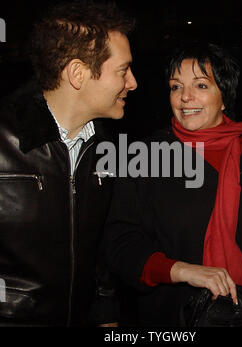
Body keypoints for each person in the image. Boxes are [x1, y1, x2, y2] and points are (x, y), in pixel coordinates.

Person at [104, 43, 242, 326]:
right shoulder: (146, 156)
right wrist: (181, 271)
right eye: (175, 87)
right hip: (174, 318)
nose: (185, 98)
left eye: (201, 86)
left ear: (224, 97)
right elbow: (120, 242)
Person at [0, 1, 137, 326]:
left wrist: (105, 312)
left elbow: (100, 249)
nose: (133, 83)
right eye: (123, 70)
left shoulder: (104, 152)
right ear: (78, 73)